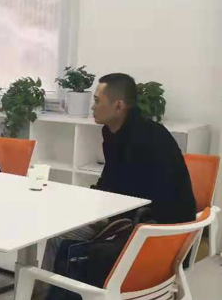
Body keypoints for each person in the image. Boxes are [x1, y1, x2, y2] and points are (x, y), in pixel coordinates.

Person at [40, 73, 197, 276]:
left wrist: (99, 214)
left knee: (60, 237)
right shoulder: (112, 131)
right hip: (132, 219)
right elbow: (111, 180)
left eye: (97, 101)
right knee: (62, 227)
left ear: (118, 106)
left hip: (157, 232)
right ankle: (50, 289)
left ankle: (52, 291)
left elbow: (142, 197)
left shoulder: (148, 139)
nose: (92, 107)